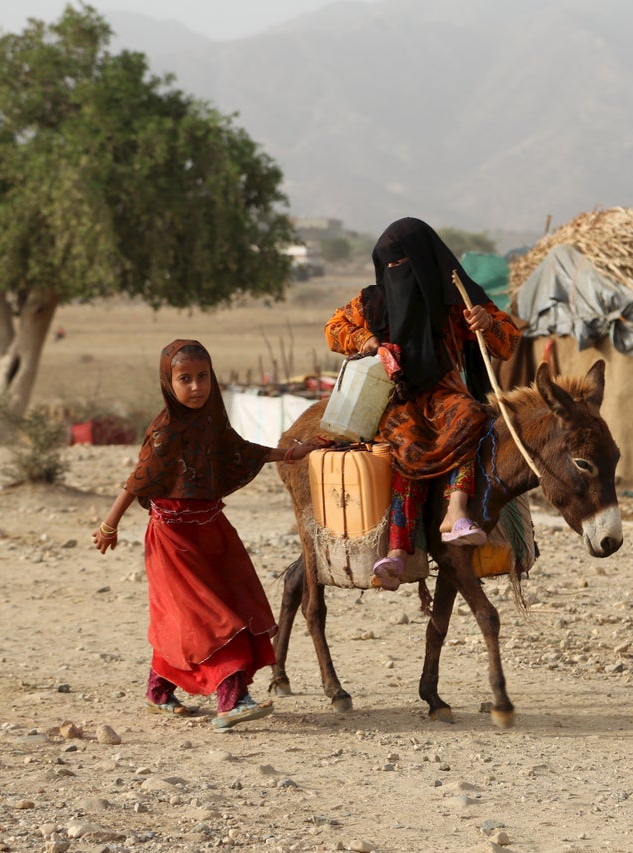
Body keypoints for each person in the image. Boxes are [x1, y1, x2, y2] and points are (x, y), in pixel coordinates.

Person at [92, 339, 325, 732]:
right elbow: (137, 482)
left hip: (213, 530)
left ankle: (159, 691)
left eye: (203, 377)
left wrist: (288, 454)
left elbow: (239, 451)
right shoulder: (164, 432)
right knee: (212, 618)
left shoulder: (213, 422)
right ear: (168, 382)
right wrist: (109, 525)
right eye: (185, 379)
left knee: (223, 606)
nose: (196, 386)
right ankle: (231, 700)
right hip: (173, 538)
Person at [324, 217, 521, 590]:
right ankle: (398, 551)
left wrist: (486, 323)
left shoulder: (457, 299)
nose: (395, 274)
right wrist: (367, 341)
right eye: (389, 267)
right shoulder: (371, 302)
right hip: (399, 397)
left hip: (447, 391)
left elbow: (508, 342)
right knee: (407, 444)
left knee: (469, 416)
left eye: (403, 265)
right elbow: (333, 329)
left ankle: (457, 511)